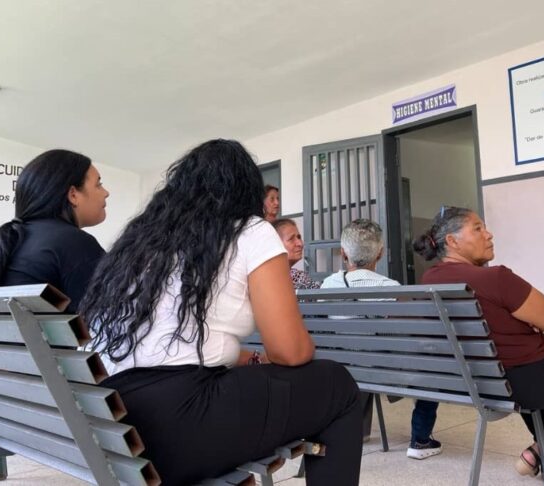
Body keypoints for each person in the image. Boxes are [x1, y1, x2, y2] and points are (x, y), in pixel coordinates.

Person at [81, 139, 362, 485]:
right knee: (337, 384)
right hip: (177, 431)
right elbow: (289, 352)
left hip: (113, 423)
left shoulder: (143, 241)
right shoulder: (251, 230)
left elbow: (173, 346)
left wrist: (250, 359)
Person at [412, 206, 544, 483]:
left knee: (531, 377)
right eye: (477, 228)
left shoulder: (429, 280)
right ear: (452, 241)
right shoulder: (495, 277)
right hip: (523, 382)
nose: (488, 234)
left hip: (475, 383)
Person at [0, 149, 108, 313]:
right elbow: (110, 318)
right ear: (73, 195)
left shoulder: (15, 238)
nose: (106, 193)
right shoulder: (75, 242)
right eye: (98, 184)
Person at [320, 219, 400, 446]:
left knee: (357, 358)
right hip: (375, 368)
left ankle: (352, 427)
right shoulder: (392, 288)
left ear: (343, 253)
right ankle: (359, 429)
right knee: (369, 357)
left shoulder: (329, 284)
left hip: (336, 364)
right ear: (380, 253)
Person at [273, 218, 321, 289]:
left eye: (299, 237)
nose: (300, 243)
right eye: (291, 239)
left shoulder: (299, 277)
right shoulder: (267, 279)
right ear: (275, 244)